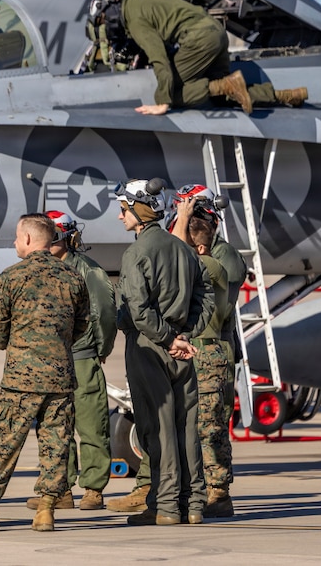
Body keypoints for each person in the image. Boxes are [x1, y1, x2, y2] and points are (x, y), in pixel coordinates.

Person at [0, 213, 89, 533]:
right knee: (56, 442)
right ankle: (47, 510)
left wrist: (12, 345)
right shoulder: (72, 277)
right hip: (60, 376)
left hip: (21, 377)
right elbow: (81, 325)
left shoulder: (10, 277)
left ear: (27, 240)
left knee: (6, 441)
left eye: (16, 237)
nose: (13, 242)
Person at [114, 178, 214, 526]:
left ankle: (167, 506)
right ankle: (195, 504)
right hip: (183, 351)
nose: (119, 216)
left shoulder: (137, 253)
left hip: (149, 348)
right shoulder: (183, 248)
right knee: (187, 426)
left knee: (158, 429)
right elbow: (206, 297)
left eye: (123, 209)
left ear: (139, 211)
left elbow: (138, 310)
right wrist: (186, 335)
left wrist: (168, 339)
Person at [88, 0, 308, 115]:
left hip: (200, 40)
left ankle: (226, 85)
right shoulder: (142, 0)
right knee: (224, 97)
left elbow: (159, 58)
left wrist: (163, 101)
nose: (107, 24)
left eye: (104, 19)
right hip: (216, 34)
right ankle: (286, 95)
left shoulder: (134, 19)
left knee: (174, 92)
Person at [25, 211, 115, 512]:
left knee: (91, 425)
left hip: (82, 357)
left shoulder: (88, 271)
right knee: (54, 428)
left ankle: (93, 489)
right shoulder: (38, 270)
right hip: (50, 362)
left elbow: (104, 314)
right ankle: (59, 488)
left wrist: (98, 350)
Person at [167, 184, 247, 518]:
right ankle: (198, 490)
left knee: (210, 424)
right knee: (190, 423)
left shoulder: (219, 256)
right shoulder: (206, 254)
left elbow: (212, 287)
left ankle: (218, 492)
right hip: (195, 347)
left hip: (212, 347)